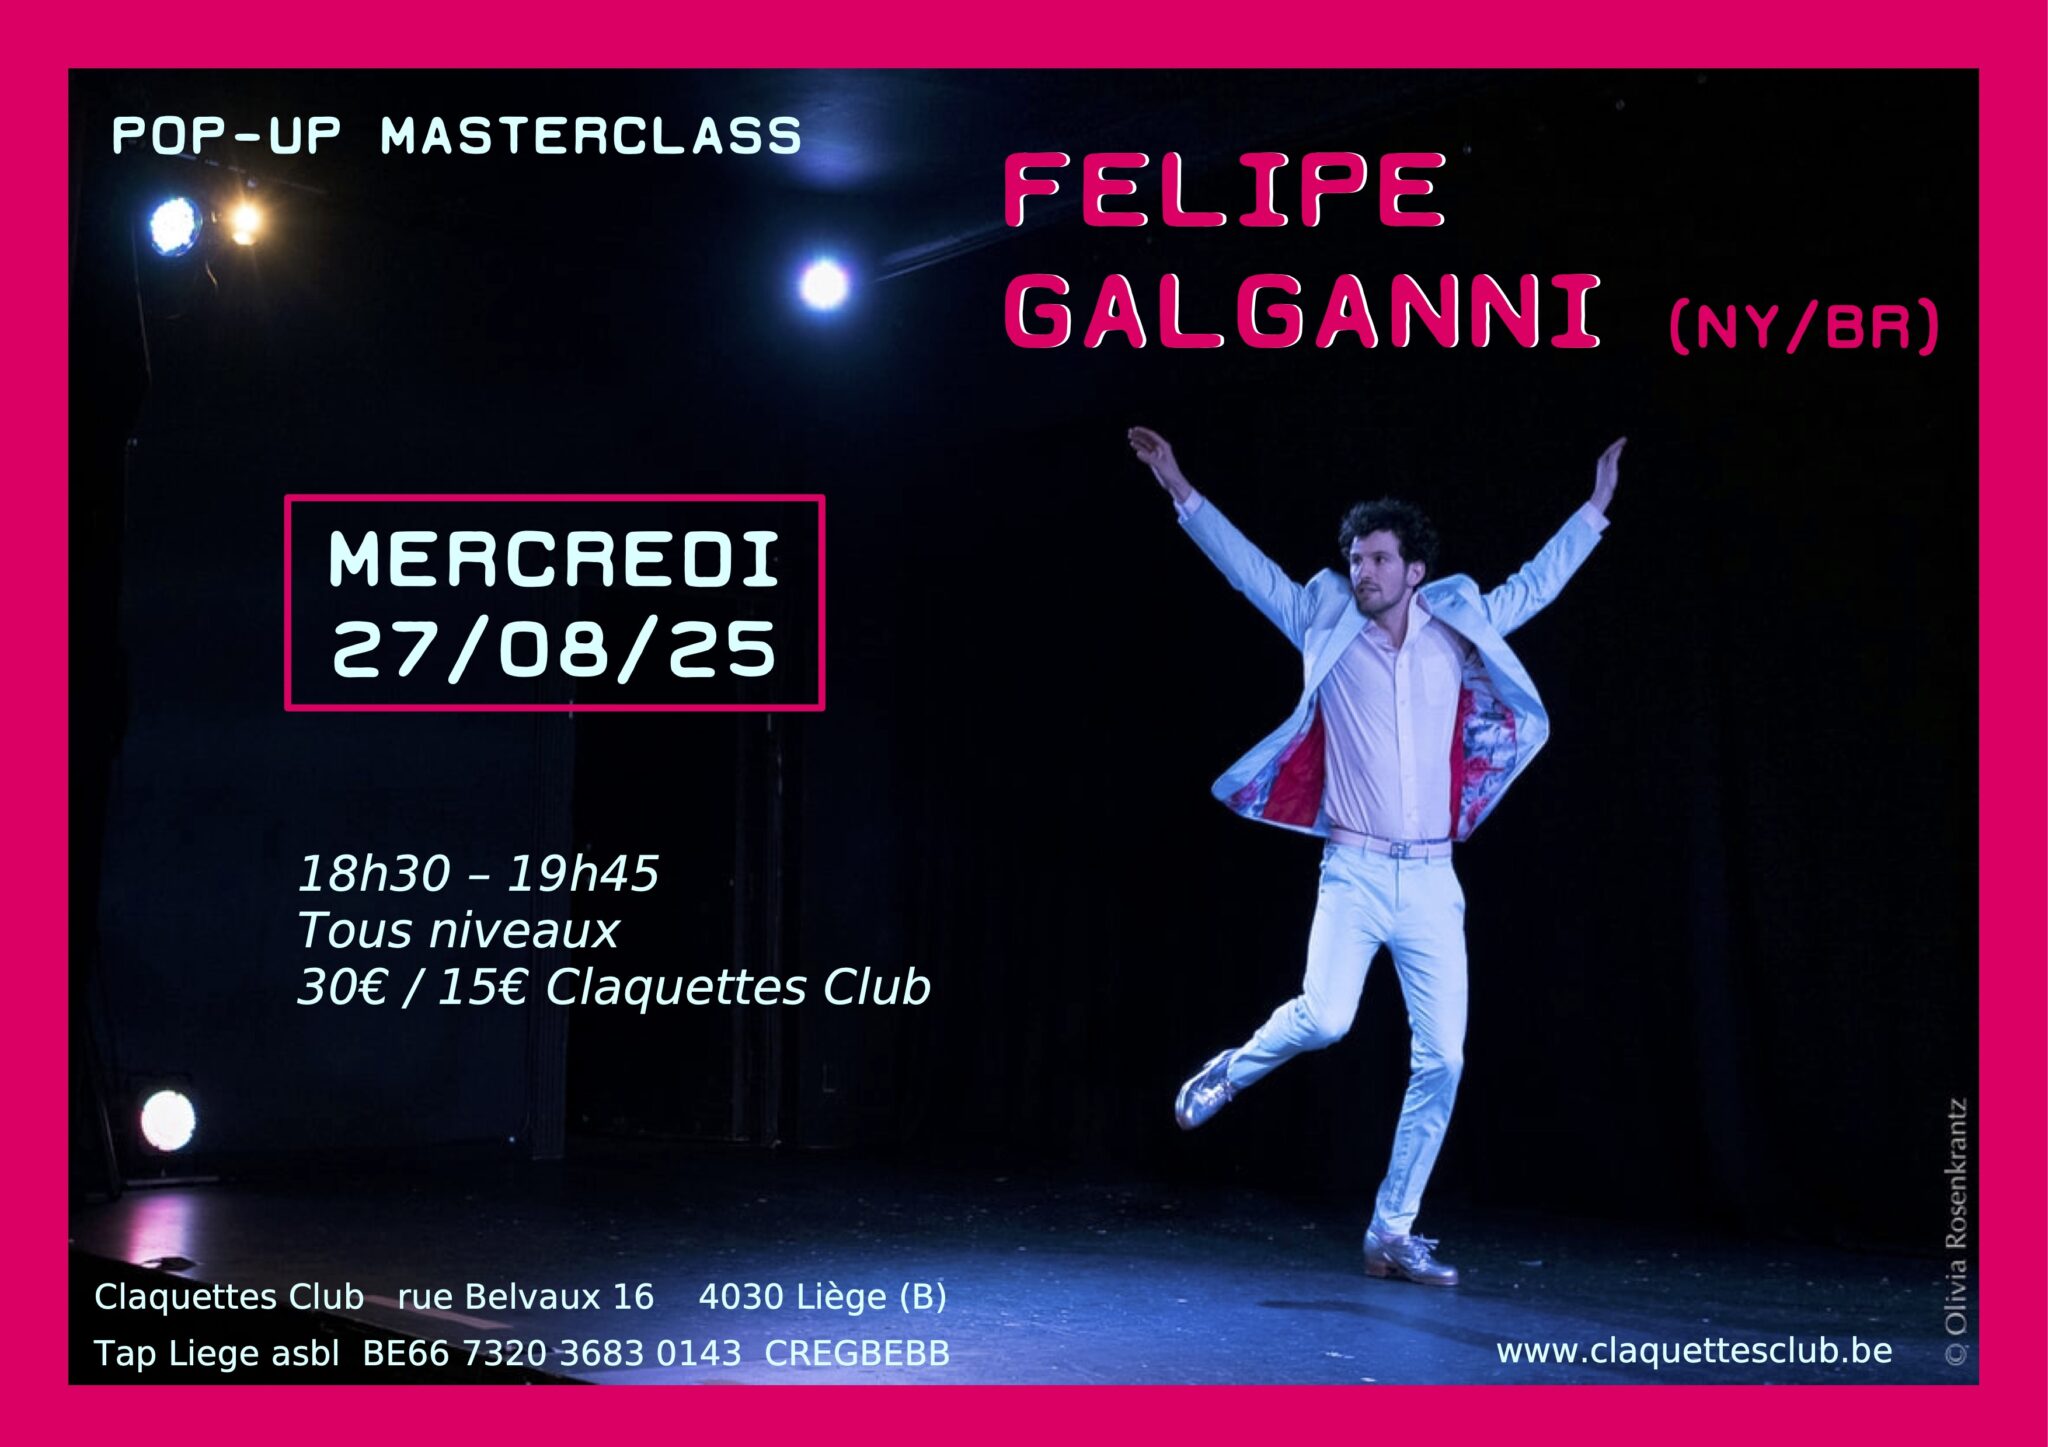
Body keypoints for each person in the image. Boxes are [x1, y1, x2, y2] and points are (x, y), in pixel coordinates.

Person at [1128, 425, 1624, 1287]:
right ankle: (1232, 1071)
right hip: (1353, 873)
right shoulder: (1324, 619)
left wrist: (1594, 509)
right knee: (1327, 1018)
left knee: (1445, 1059)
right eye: (1356, 558)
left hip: (1431, 879)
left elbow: (1533, 585)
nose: (1363, 571)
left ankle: (1391, 1230)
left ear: (1413, 570)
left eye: (1379, 559)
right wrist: (1180, 488)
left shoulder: (1456, 624)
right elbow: (1250, 571)